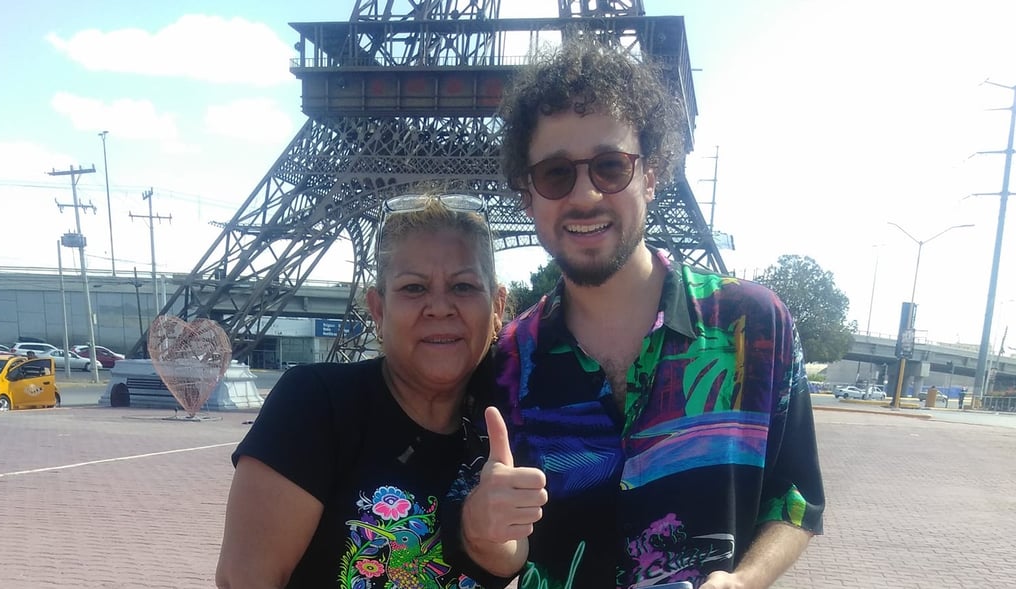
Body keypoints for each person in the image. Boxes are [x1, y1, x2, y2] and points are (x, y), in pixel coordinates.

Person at [448, 37, 825, 589]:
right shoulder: (504, 361)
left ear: (651, 174)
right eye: (555, 174)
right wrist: (482, 533)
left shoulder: (756, 327)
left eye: (610, 166)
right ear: (528, 194)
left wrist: (746, 580)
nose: (585, 196)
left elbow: (795, 499)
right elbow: (491, 551)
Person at [215, 194, 508, 588]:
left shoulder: (514, 422)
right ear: (378, 309)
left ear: (497, 308)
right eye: (414, 288)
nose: (440, 307)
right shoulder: (316, 405)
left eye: (464, 286)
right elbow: (245, 580)